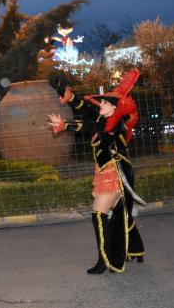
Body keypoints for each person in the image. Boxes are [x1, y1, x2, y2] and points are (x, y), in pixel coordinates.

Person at [48, 69, 145, 274]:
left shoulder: (115, 126)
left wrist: (66, 125)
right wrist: (68, 95)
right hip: (104, 173)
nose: (100, 104)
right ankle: (136, 249)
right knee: (122, 214)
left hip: (117, 175)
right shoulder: (102, 119)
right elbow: (84, 109)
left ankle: (105, 260)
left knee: (98, 214)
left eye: (105, 103)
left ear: (115, 108)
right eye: (101, 102)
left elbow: (90, 126)